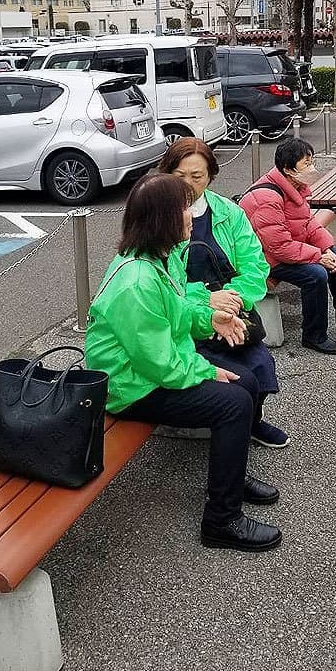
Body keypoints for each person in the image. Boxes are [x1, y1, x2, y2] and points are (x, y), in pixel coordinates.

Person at [85, 173, 282, 553]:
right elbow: (159, 364)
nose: (192, 214)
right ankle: (221, 519)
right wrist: (207, 370)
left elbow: (175, 312)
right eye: (183, 208)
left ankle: (231, 477)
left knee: (247, 380)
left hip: (150, 371)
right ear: (162, 219)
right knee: (233, 402)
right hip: (128, 388)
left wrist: (210, 319)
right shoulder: (137, 282)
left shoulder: (161, 257)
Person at [158, 138, 289, 448]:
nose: (188, 184)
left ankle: (251, 421)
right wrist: (205, 298)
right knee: (232, 376)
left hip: (231, 312)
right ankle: (227, 423)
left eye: (197, 176)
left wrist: (232, 298)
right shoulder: (157, 218)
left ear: (211, 176)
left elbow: (255, 266)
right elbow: (157, 282)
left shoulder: (229, 213)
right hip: (180, 318)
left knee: (259, 363)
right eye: (179, 176)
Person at [240, 137, 336, 354]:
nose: (312, 168)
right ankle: (313, 335)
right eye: (306, 163)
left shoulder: (294, 185)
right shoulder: (266, 198)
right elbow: (279, 247)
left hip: (286, 250)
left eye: (311, 161)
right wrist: (318, 256)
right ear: (288, 168)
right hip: (264, 259)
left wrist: (326, 249)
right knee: (315, 274)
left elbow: (308, 224)